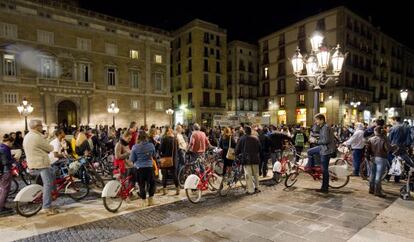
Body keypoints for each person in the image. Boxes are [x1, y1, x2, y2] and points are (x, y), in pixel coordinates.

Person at [23, 120, 57, 215]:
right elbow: (50, 148)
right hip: (41, 164)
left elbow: (40, 147)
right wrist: (46, 143)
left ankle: (52, 195)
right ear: (37, 126)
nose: (42, 127)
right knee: (48, 184)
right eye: (41, 126)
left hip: (33, 163)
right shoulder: (36, 137)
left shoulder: (28, 136)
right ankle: (46, 206)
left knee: (53, 172)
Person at [306, 114, 336, 193]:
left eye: (316, 120)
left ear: (321, 120)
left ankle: (325, 188)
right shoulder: (323, 127)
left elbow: (326, 141)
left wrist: (315, 141)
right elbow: (323, 136)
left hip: (326, 150)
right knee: (310, 151)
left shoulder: (325, 127)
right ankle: (310, 168)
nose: (315, 122)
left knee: (324, 169)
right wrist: (315, 136)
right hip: (323, 148)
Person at [130, 131, 156, 207]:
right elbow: (154, 155)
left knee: (141, 185)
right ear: (146, 137)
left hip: (139, 168)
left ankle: (143, 201)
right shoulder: (151, 145)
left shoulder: (135, 147)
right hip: (149, 167)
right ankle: (150, 199)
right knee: (152, 184)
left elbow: (132, 158)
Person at [366, 126, 391, 198]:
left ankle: (371, 189)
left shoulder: (370, 139)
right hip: (381, 158)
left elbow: (367, 150)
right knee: (378, 176)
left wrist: (368, 157)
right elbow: (388, 149)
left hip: (373, 158)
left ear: (375, 131)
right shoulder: (384, 139)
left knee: (372, 174)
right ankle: (377, 191)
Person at [235, 126, 261, 195]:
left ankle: (251, 190)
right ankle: (257, 187)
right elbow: (260, 148)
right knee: (256, 174)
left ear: (245, 131)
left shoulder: (241, 139)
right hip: (255, 158)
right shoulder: (256, 138)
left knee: (248, 175)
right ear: (250, 131)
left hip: (246, 159)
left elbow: (237, 150)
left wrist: (237, 154)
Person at [388, 116, 412, 183]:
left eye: (392, 120)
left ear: (395, 120)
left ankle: (388, 177)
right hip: (402, 147)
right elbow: (409, 138)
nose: (391, 122)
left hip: (394, 147)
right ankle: (397, 178)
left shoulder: (394, 128)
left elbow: (390, 138)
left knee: (391, 161)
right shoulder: (406, 127)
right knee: (398, 162)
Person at [159, 128, 180, 195]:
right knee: (174, 175)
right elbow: (178, 149)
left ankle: (164, 190)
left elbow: (161, 149)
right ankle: (177, 189)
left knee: (164, 175)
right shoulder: (175, 139)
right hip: (173, 159)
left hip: (165, 159)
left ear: (168, 132)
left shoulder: (164, 139)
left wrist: (161, 154)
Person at [0, 134, 15, 216]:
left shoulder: (1, 147)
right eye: (12, 143)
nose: (12, 145)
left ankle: (2, 205)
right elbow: (5, 162)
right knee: (5, 190)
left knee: (2, 189)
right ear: (8, 142)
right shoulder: (5, 149)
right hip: (5, 171)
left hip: (2, 171)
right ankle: (1, 208)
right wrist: (13, 161)